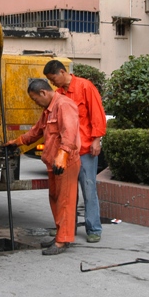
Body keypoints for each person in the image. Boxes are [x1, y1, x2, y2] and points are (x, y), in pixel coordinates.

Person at [5, 79, 80, 255]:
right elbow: (36, 131)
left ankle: (62, 241)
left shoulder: (64, 105)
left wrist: (63, 154)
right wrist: (17, 142)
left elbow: (69, 131)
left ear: (43, 93)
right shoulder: (48, 111)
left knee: (65, 202)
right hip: (54, 163)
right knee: (55, 199)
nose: (35, 103)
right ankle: (60, 235)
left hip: (66, 163)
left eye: (35, 99)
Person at [44, 60, 107, 243]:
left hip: (85, 148)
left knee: (88, 189)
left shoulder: (85, 87)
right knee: (67, 193)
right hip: (67, 152)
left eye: (52, 78)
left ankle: (93, 228)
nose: (52, 82)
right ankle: (66, 228)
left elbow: (97, 114)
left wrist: (96, 140)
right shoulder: (58, 94)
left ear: (62, 72)